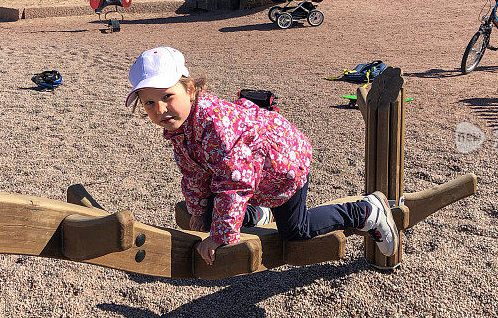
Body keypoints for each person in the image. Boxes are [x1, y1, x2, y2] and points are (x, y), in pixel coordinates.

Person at [126, 46, 400, 266]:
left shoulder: (216, 125)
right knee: (210, 212)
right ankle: (256, 213)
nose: (160, 109)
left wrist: (220, 237)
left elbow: (235, 183)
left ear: (190, 89)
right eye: (149, 102)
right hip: (256, 170)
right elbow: (194, 172)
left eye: (167, 97)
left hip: (284, 168)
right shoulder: (182, 127)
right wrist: (199, 213)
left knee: (296, 231)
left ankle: (367, 211)